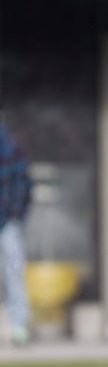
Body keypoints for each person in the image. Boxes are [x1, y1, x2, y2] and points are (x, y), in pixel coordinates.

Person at [0, 125, 32, 345]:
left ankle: (19, 326)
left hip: (7, 222)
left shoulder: (11, 148)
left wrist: (15, 215)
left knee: (14, 273)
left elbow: (24, 184)